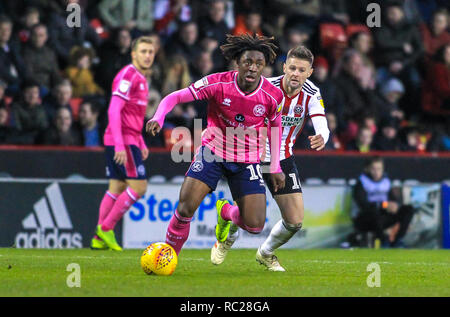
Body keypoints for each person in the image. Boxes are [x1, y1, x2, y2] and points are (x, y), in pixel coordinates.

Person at [146, 33, 286, 257]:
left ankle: (226, 212)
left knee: (255, 225)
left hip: (247, 159)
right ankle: (168, 257)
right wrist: (158, 117)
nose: (252, 68)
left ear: (264, 66)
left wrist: (276, 167)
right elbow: (175, 97)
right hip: (213, 152)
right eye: (247, 62)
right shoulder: (217, 82)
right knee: (185, 209)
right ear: (237, 62)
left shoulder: (273, 95)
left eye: (259, 63)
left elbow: (275, 128)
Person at [210, 45, 330, 271]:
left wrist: (322, 135)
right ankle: (227, 230)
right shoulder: (266, 87)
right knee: (248, 218)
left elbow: (321, 120)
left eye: (301, 70)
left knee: (295, 221)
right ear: (284, 67)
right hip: (252, 155)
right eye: (292, 68)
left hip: (283, 157)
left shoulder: (312, 93)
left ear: (310, 72)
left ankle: (265, 253)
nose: (296, 73)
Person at [92, 36, 156, 251]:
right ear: (133, 54)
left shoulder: (141, 78)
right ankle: (107, 228)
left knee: (117, 187)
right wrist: (120, 145)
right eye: (143, 51)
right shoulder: (128, 75)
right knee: (139, 186)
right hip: (121, 140)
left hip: (129, 138)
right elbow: (113, 109)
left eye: (150, 52)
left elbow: (132, 116)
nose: (147, 55)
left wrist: (140, 141)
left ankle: (98, 239)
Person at [351, 156, 414, 248]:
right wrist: (384, 205)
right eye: (373, 169)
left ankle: (397, 241)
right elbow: (363, 204)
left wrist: (395, 205)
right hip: (366, 218)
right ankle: (383, 241)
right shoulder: (361, 182)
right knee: (374, 212)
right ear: (367, 169)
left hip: (384, 216)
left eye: (379, 169)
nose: (376, 172)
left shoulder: (386, 182)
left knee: (408, 209)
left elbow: (392, 200)